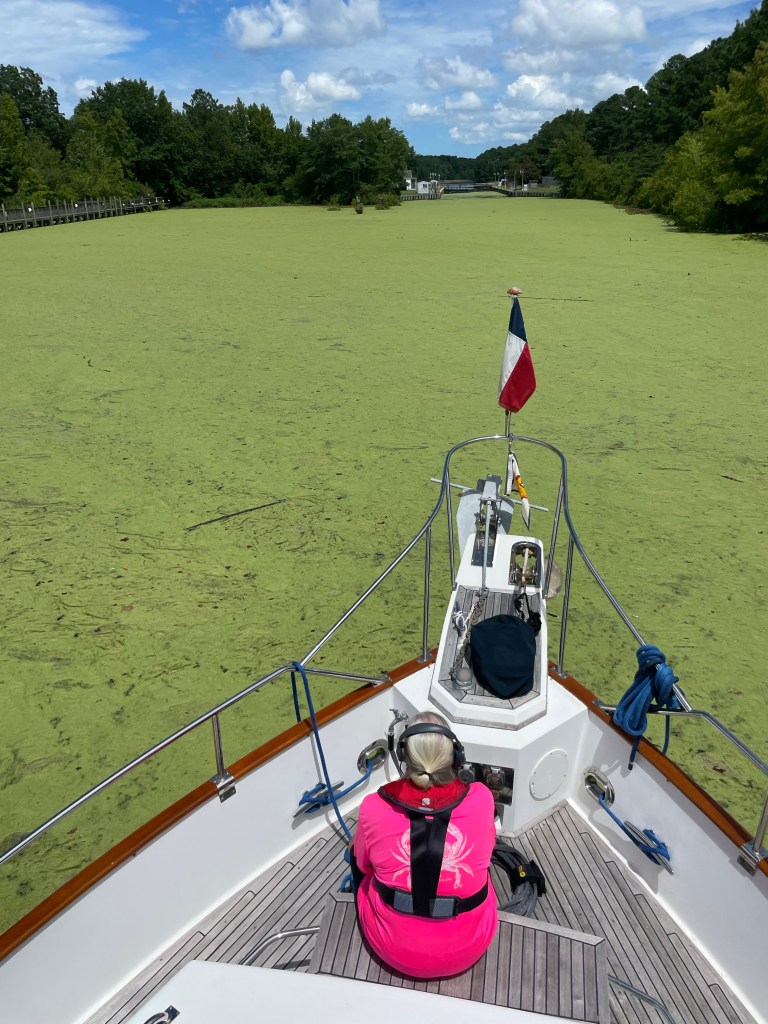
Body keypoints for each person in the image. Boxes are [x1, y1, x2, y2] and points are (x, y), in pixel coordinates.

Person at [351, 711, 498, 977]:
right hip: (468, 948)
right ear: (456, 756)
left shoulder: (373, 807)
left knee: (361, 863)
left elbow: (363, 866)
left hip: (391, 949)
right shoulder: (482, 799)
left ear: (403, 755)